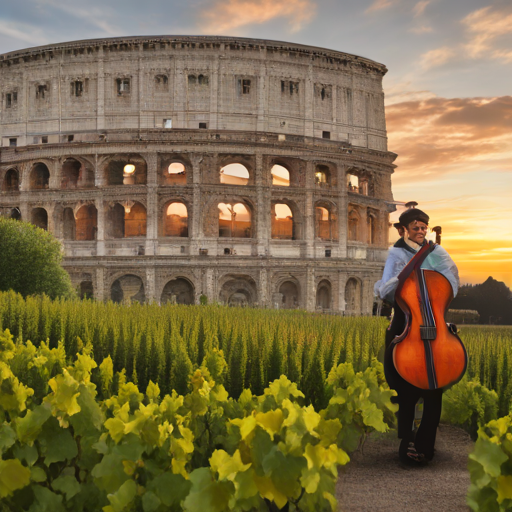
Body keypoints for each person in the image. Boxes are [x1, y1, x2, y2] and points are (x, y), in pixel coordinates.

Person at [374, 207, 460, 465]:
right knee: (407, 386)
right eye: (416, 228)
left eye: (424, 228)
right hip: (406, 319)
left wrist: (437, 290)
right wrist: (402, 283)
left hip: (434, 319)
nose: (421, 232)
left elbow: (451, 280)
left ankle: (426, 445)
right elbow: (387, 289)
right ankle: (407, 440)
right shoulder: (397, 254)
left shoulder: (437, 252)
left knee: (435, 388)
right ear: (404, 230)